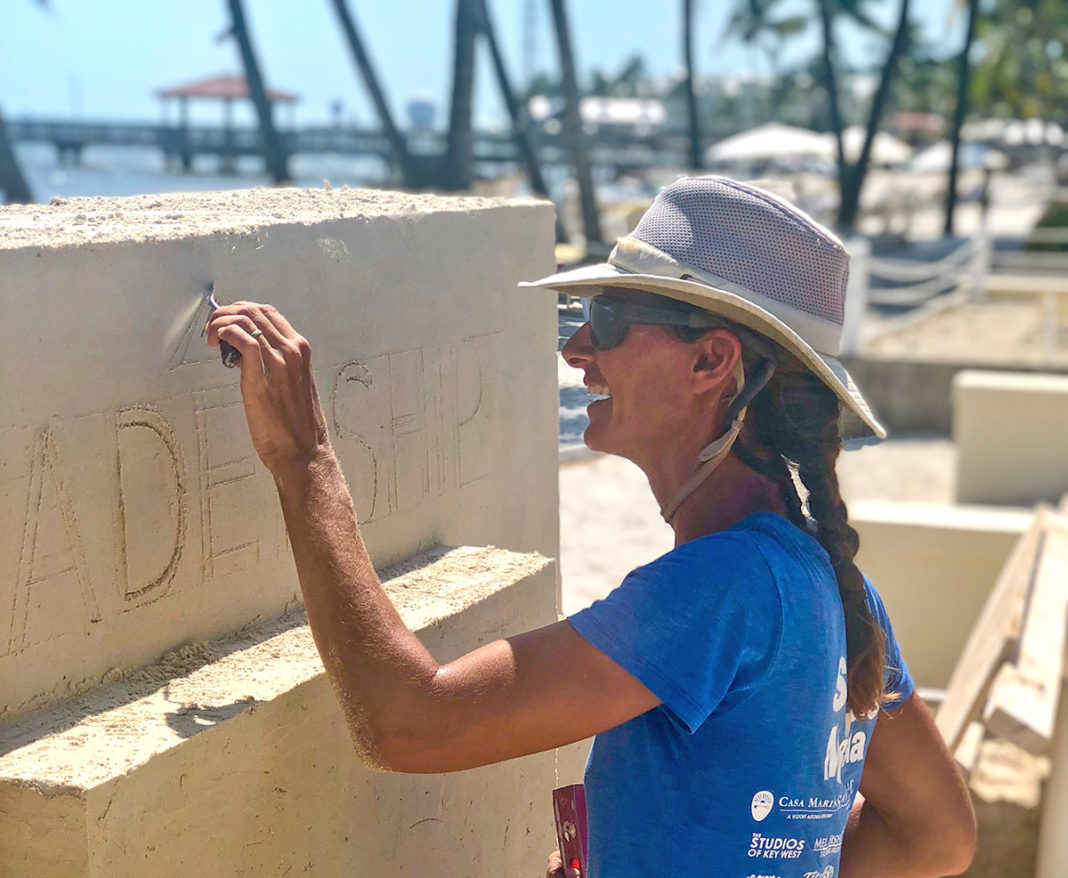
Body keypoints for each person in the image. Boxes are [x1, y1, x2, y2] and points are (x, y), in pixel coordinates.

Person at [206, 176, 976, 878]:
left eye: (606, 319)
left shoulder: (717, 589)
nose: (577, 350)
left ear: (712, 361)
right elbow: (937, 836)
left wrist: (305, 464)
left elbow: (408, 725)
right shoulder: (834, 592)